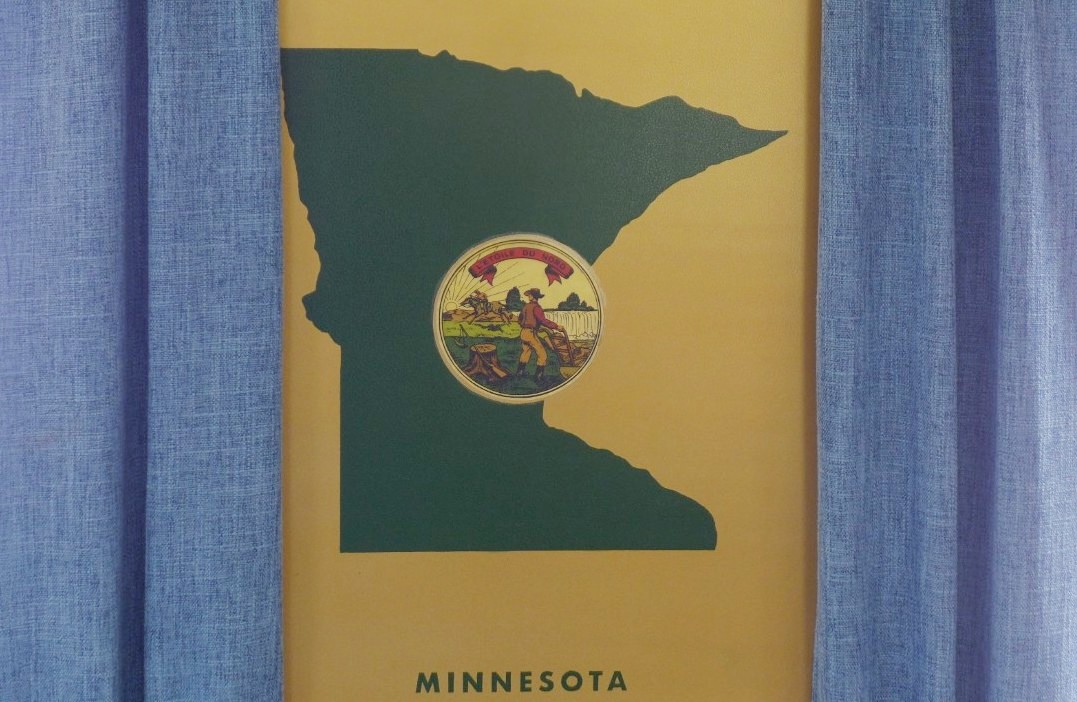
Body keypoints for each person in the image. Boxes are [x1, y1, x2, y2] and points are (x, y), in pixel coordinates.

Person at [516, 288, 563, 384]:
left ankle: (519, 374)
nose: (528, 296)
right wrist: (556, 326)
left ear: (534, 296)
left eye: (530, 295)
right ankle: (538, 377)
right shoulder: (536, 307)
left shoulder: (526, 306)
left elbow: (520, 319)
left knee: (526, 352)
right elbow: (543, 320)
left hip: (523, 332)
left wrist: (528, 325)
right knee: (542, 355)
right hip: (530, 333)